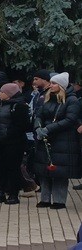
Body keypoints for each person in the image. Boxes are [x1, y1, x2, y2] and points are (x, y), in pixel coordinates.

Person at [34, 72, 80, 210]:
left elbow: (70, 120)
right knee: (44, 169)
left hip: (63, 139)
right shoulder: (47, 98)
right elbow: (39, 114)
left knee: (60, 172)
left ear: (61, 85)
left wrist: (49, 128)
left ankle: (59, 201)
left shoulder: (71, 100)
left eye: (54, 83)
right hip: (46, 138)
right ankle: (45, 198)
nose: (51, 85)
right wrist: (38, 127)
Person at [0, 82, 30, 205]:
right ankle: (0, 192)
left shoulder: (19, 106)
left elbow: (22, 126)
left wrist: (8, 134)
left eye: (2, 92)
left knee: (13, 168)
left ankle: (13, 193)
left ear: (9, 94)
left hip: (13, 143)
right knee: (1, 167)